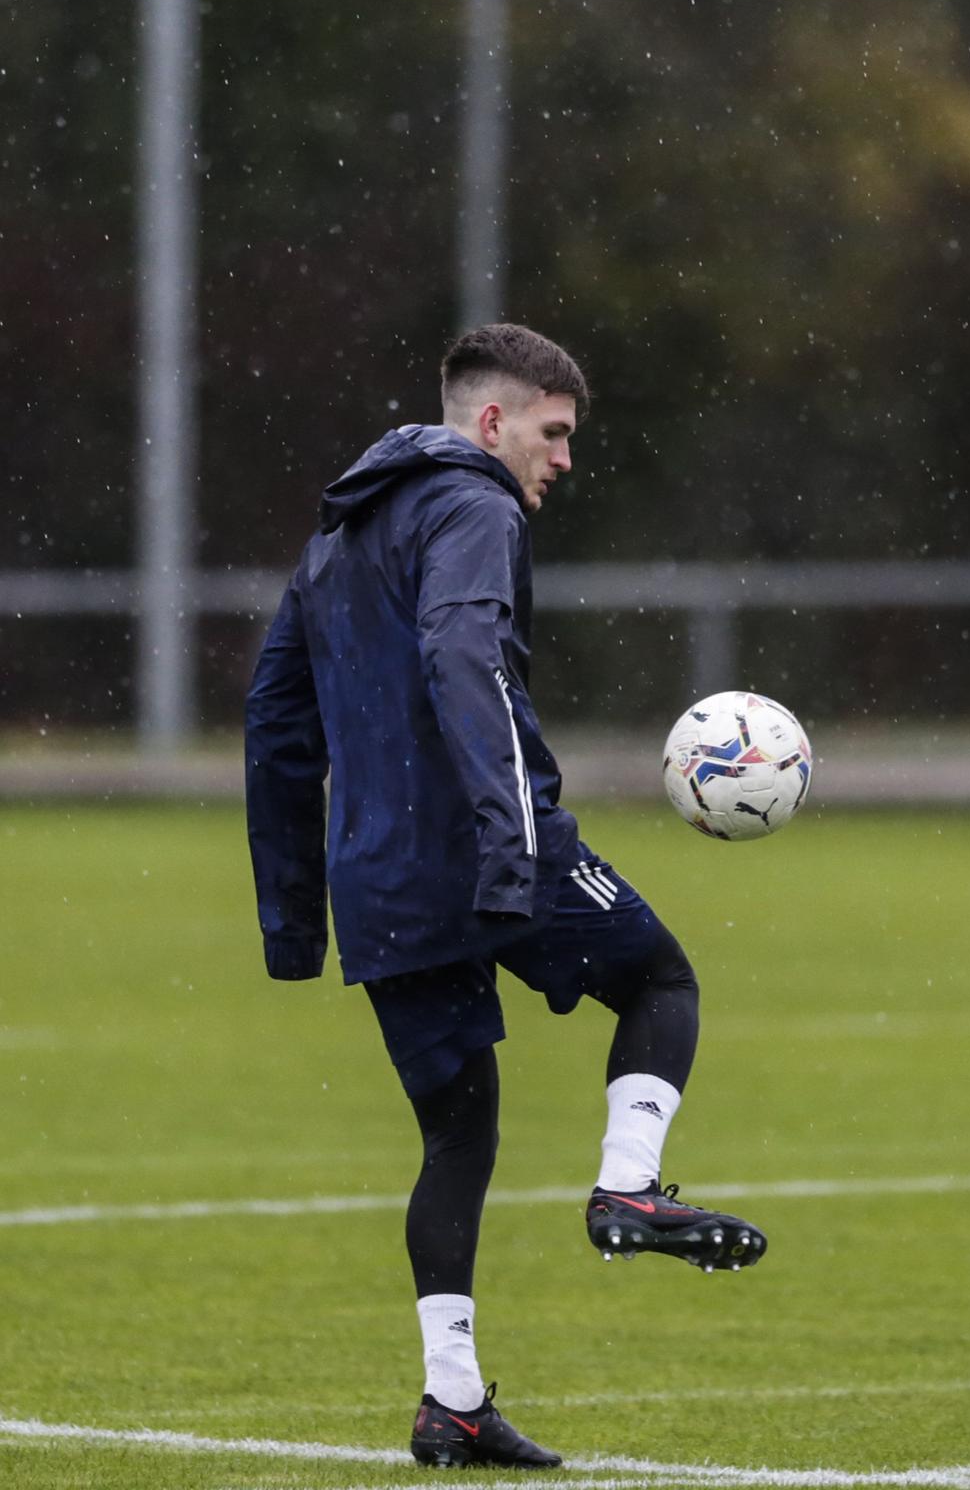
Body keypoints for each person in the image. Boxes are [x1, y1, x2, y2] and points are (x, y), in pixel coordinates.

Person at [244, 323, 767, 1471]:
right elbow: (461, 652)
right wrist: (504, 836)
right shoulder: (472, 504)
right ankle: (628, 1188)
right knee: (659, 975)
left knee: (456, 1131)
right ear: (491, 422)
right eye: (554, 430)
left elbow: (276, 725)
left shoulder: (334, 538)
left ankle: (453, 1402)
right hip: (490, 843)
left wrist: (295, 920)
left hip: (378, 875)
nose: (563, 457)